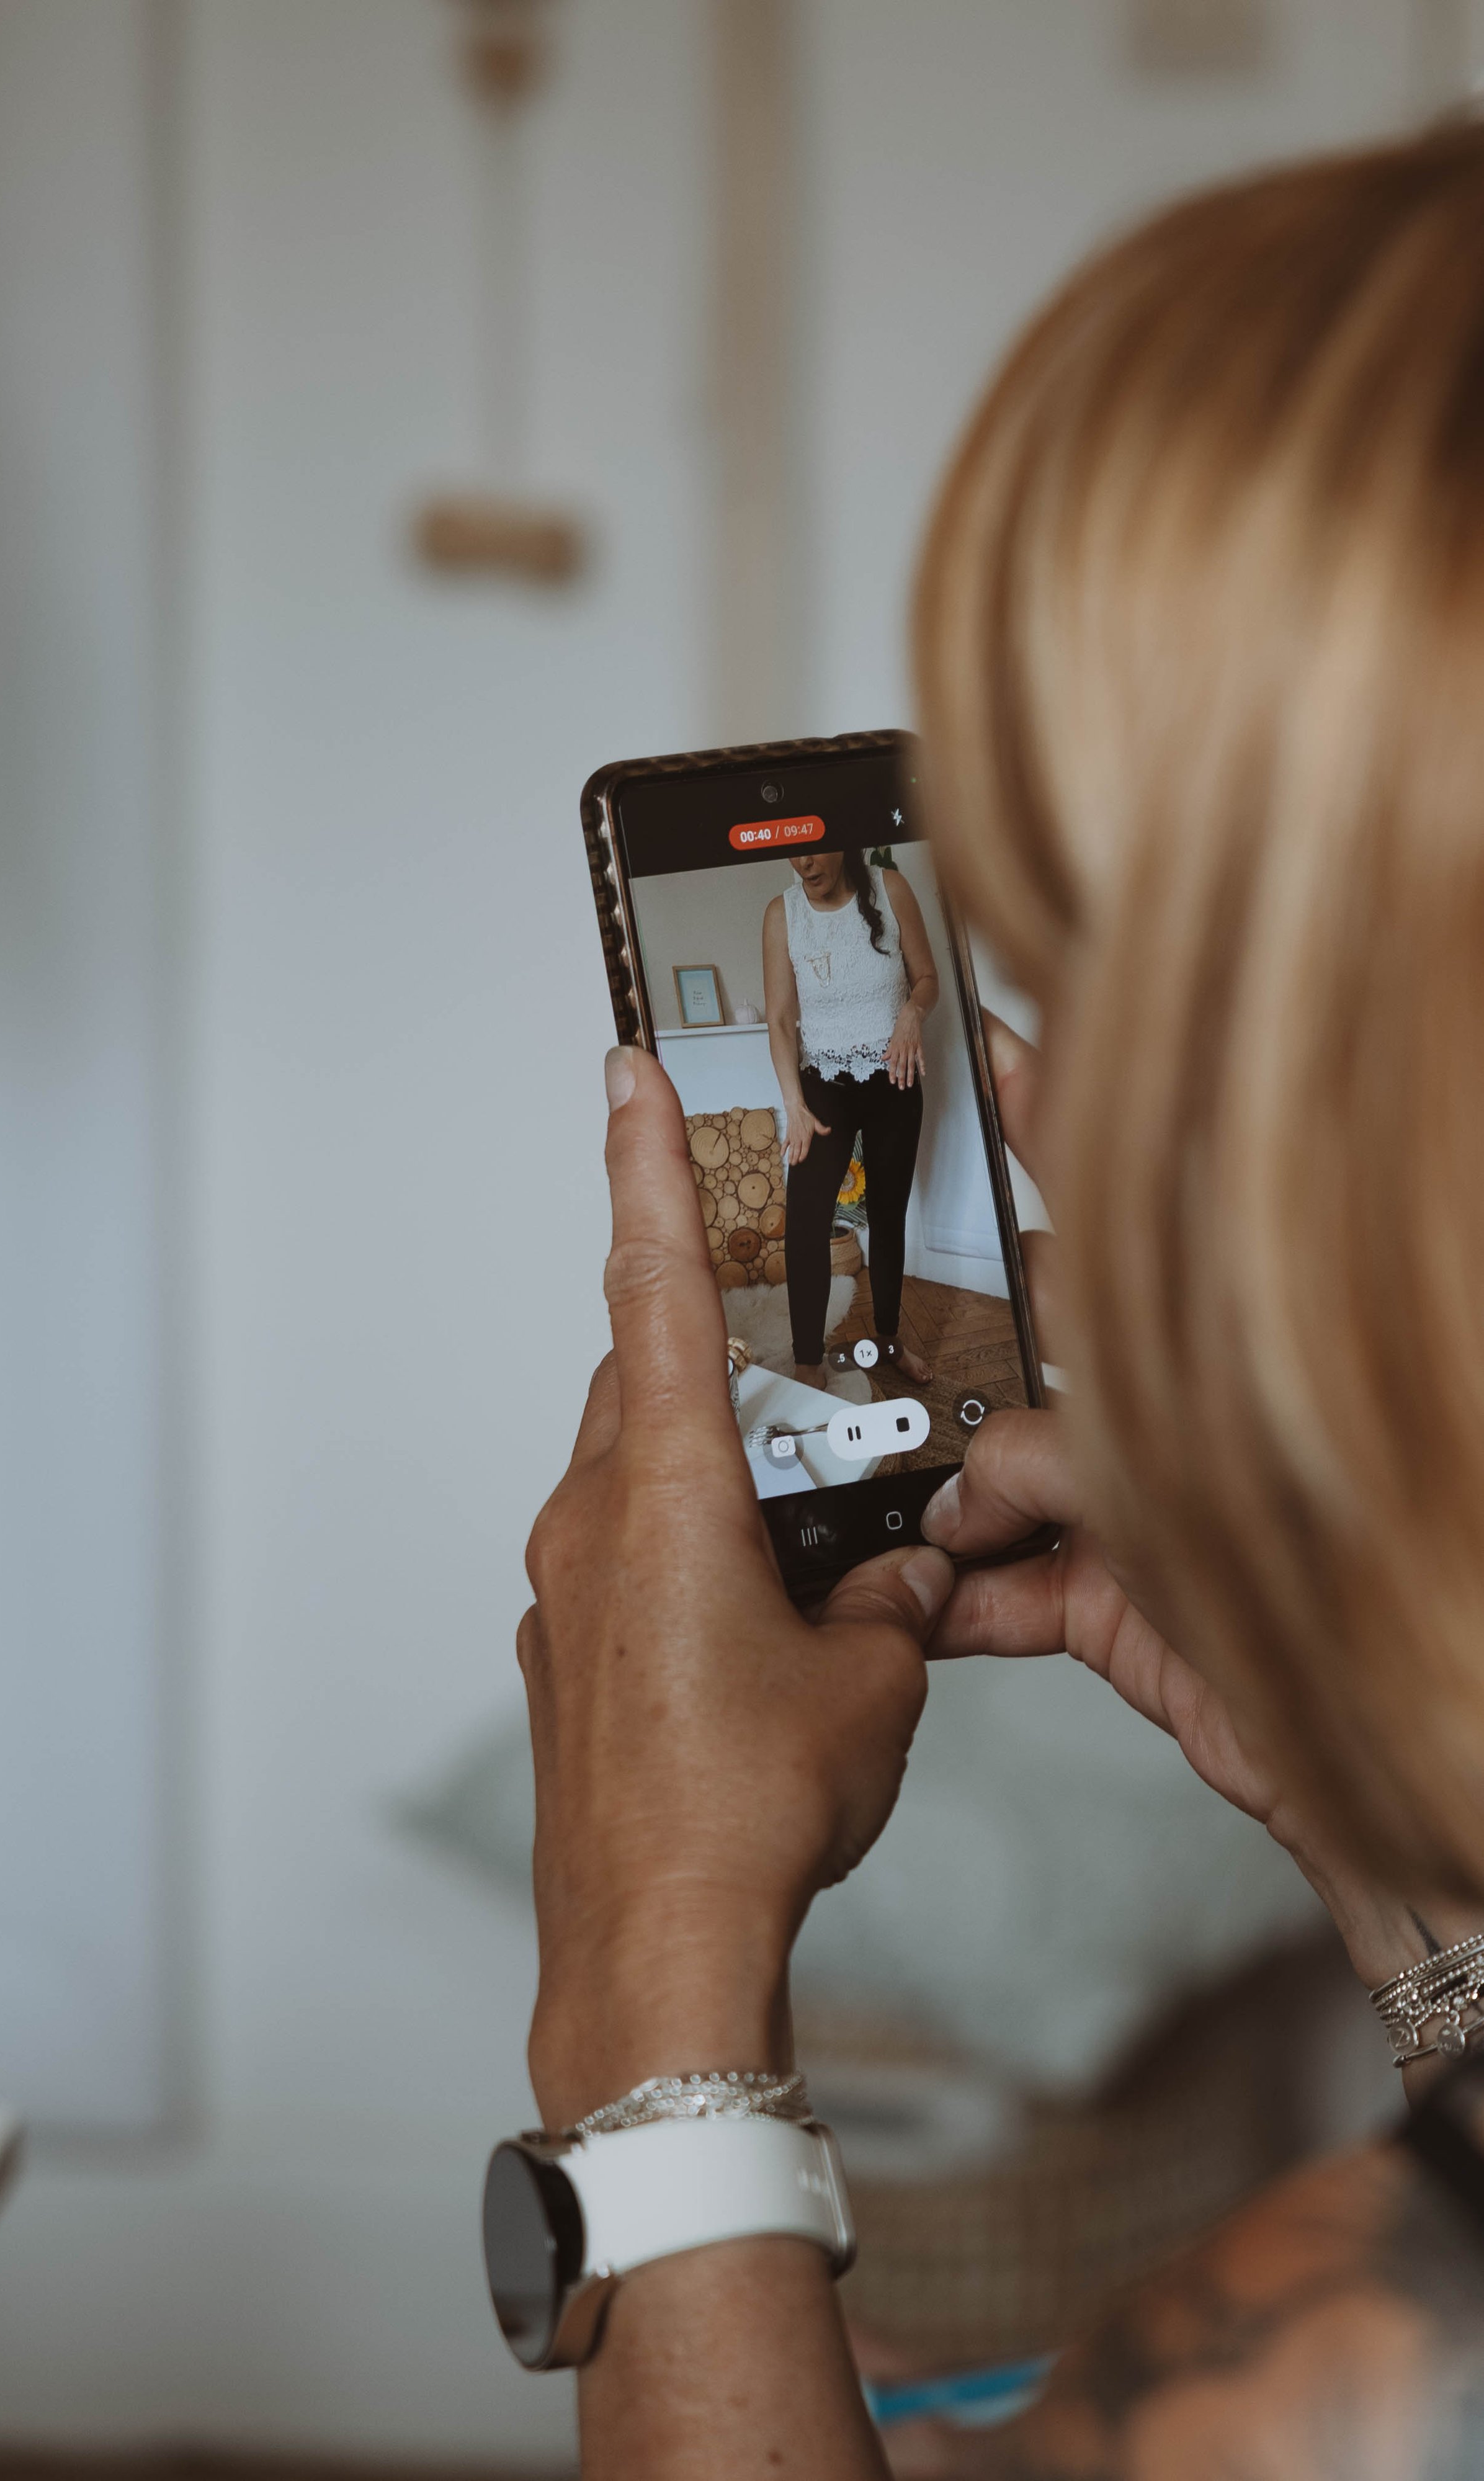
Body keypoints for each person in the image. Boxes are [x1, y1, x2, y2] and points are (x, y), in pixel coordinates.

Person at [516, 121, 1484, 2477]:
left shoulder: (1328, 2379)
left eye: (1152, 974)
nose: (1092, 1118)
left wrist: (650, 1998)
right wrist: (1427, 1889)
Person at [762, 847, 939, 1389]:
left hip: (895, 1078)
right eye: (791, 854)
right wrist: (794, 1103)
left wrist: (912, 1011)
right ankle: (808, 1362)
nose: (804, 865)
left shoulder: (892, 888)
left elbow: (927, 978)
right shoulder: (781, 914)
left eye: (813, 850)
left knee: (888, 1215)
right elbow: (781, 1020)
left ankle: (889, 1338)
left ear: (840, 840)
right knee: (806, 1221)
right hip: (823, 1088)